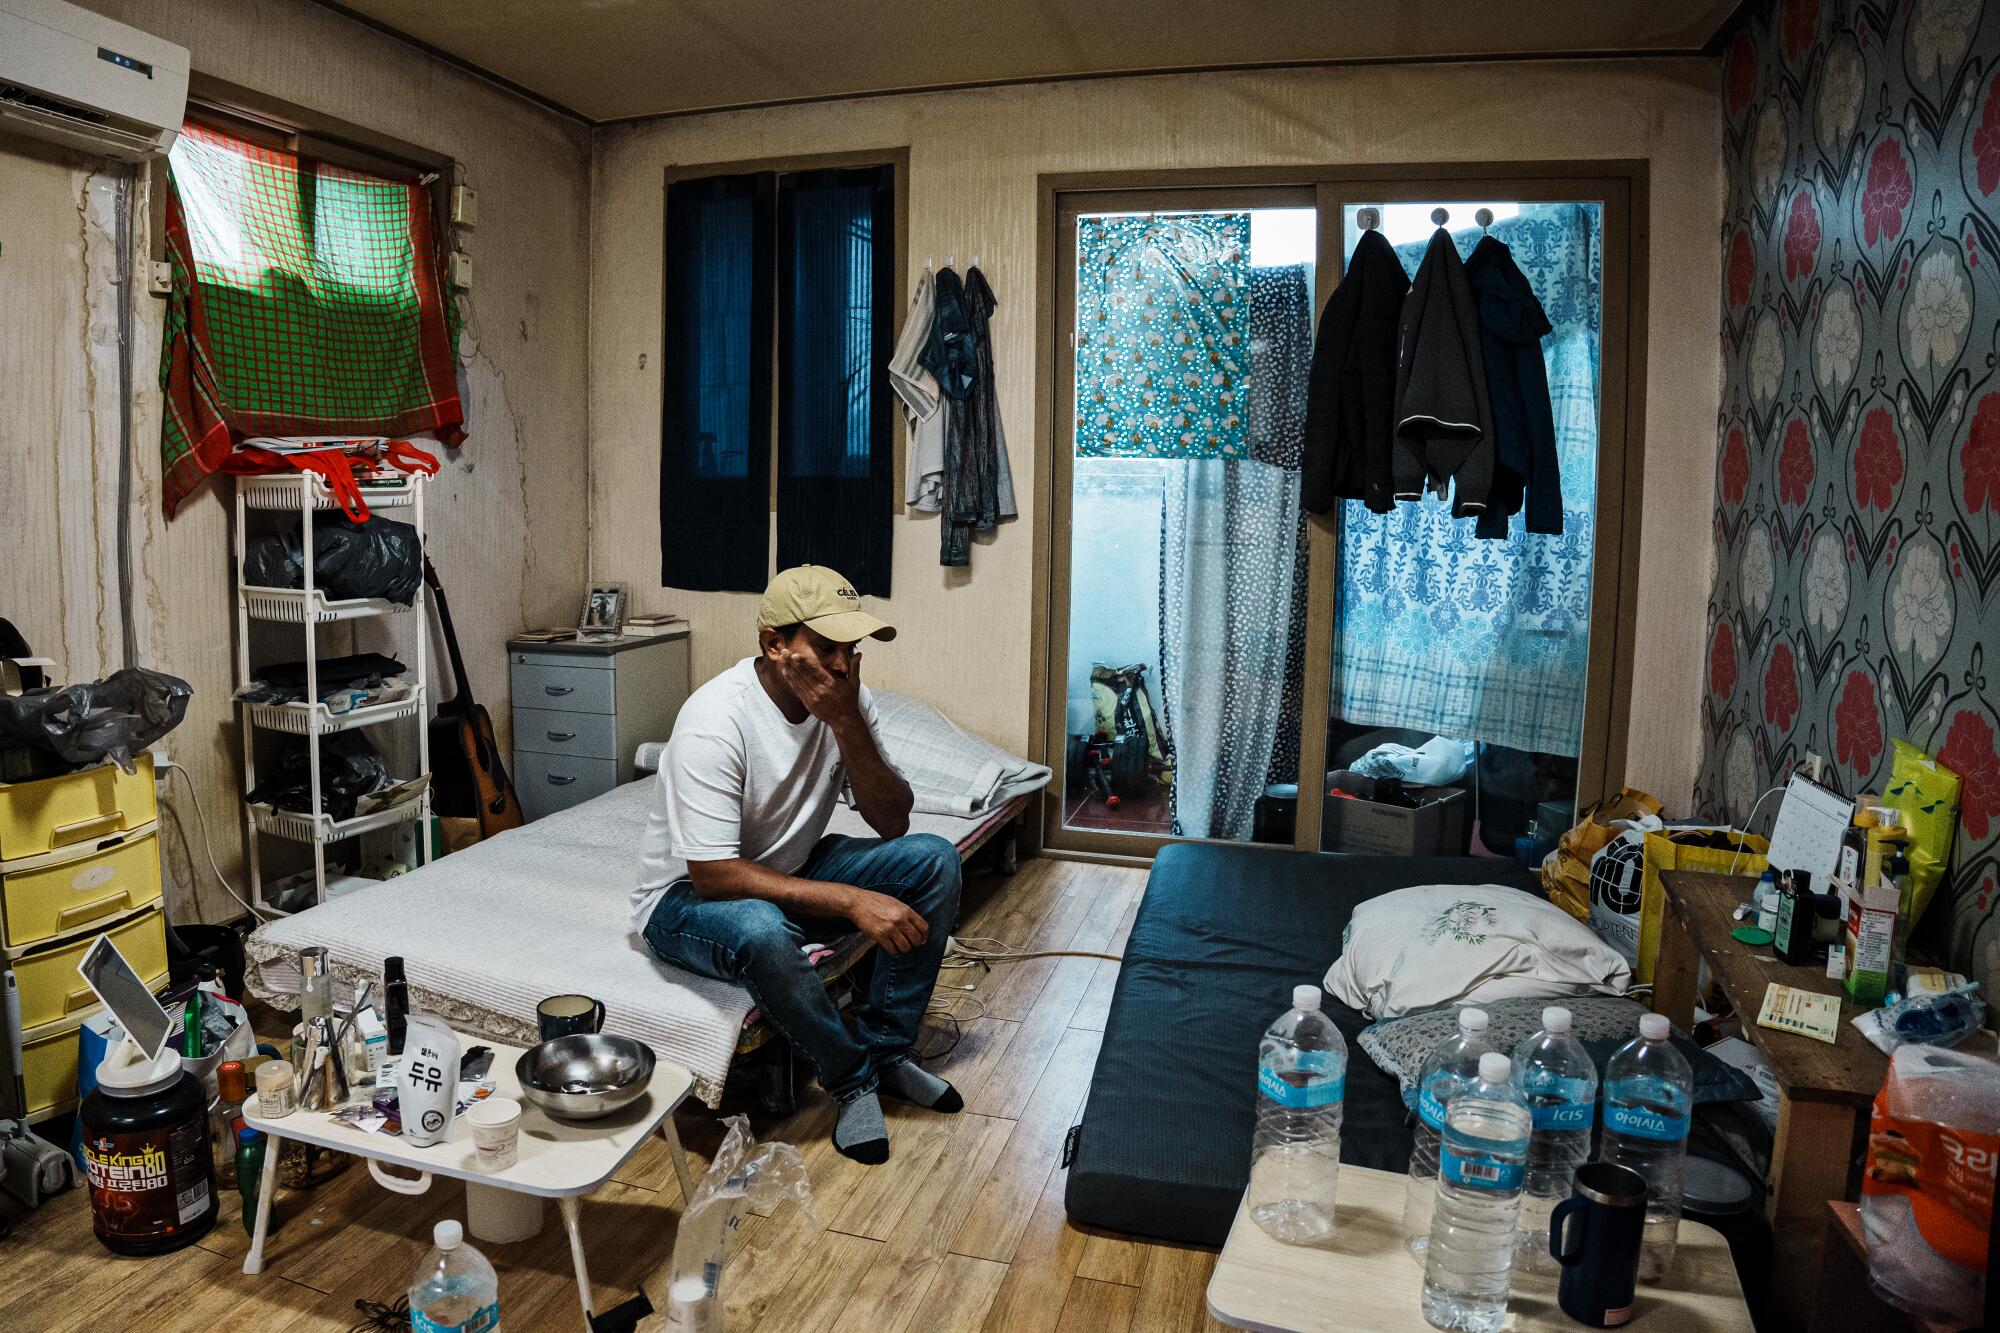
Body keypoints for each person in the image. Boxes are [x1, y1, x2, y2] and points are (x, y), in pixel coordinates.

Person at [633, 566, 963, 1162]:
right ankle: (851, 1077)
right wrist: (850, 900)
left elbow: (893, 821)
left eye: (850, 650)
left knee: (934, 861)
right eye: (826, 647)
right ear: (774, 645)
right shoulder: (716, 719)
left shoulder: (846, 701)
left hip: (793, 864)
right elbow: (714, 875)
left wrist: (844, 721)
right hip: (686, 899)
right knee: (759, 925)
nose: (842, 665)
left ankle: (887, 1050)